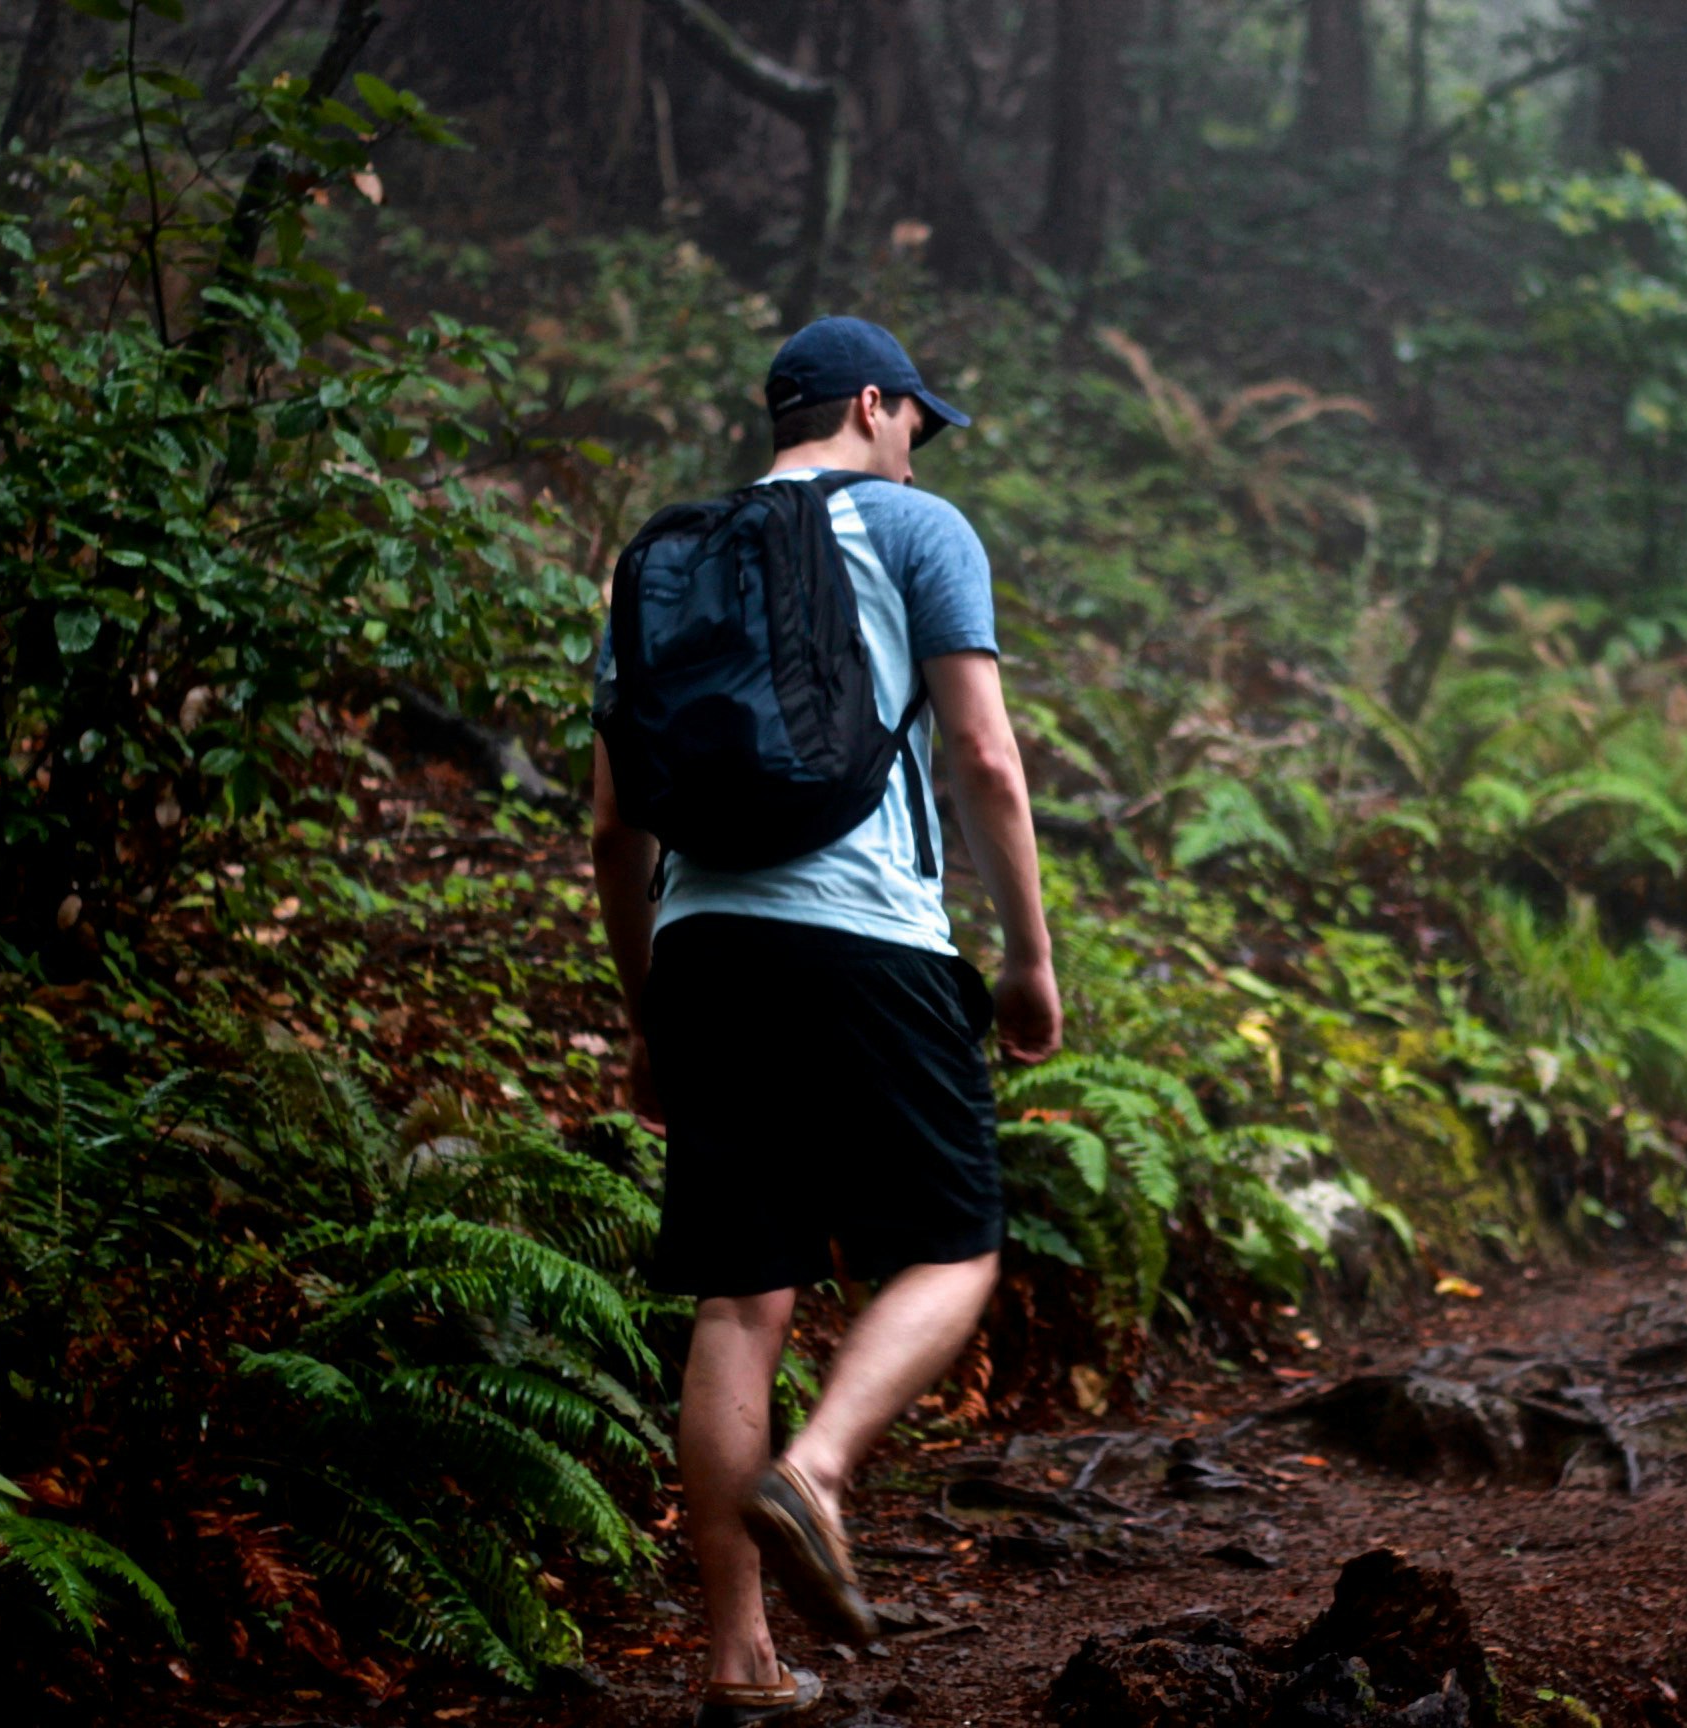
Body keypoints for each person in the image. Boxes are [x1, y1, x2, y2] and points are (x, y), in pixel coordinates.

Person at [589, 316, 1061, 1727]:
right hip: (870, 936)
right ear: (873, 404)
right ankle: (826, 1465)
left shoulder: (663, 560)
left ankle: (737, 1663)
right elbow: (982, 751)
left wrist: (649, 1014)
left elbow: (617, 828)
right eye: (916, 420)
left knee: (743, 1297)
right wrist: (1028, 958)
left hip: (707, 947)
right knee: (956, 1243)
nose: (917, 448)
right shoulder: (919, 533)